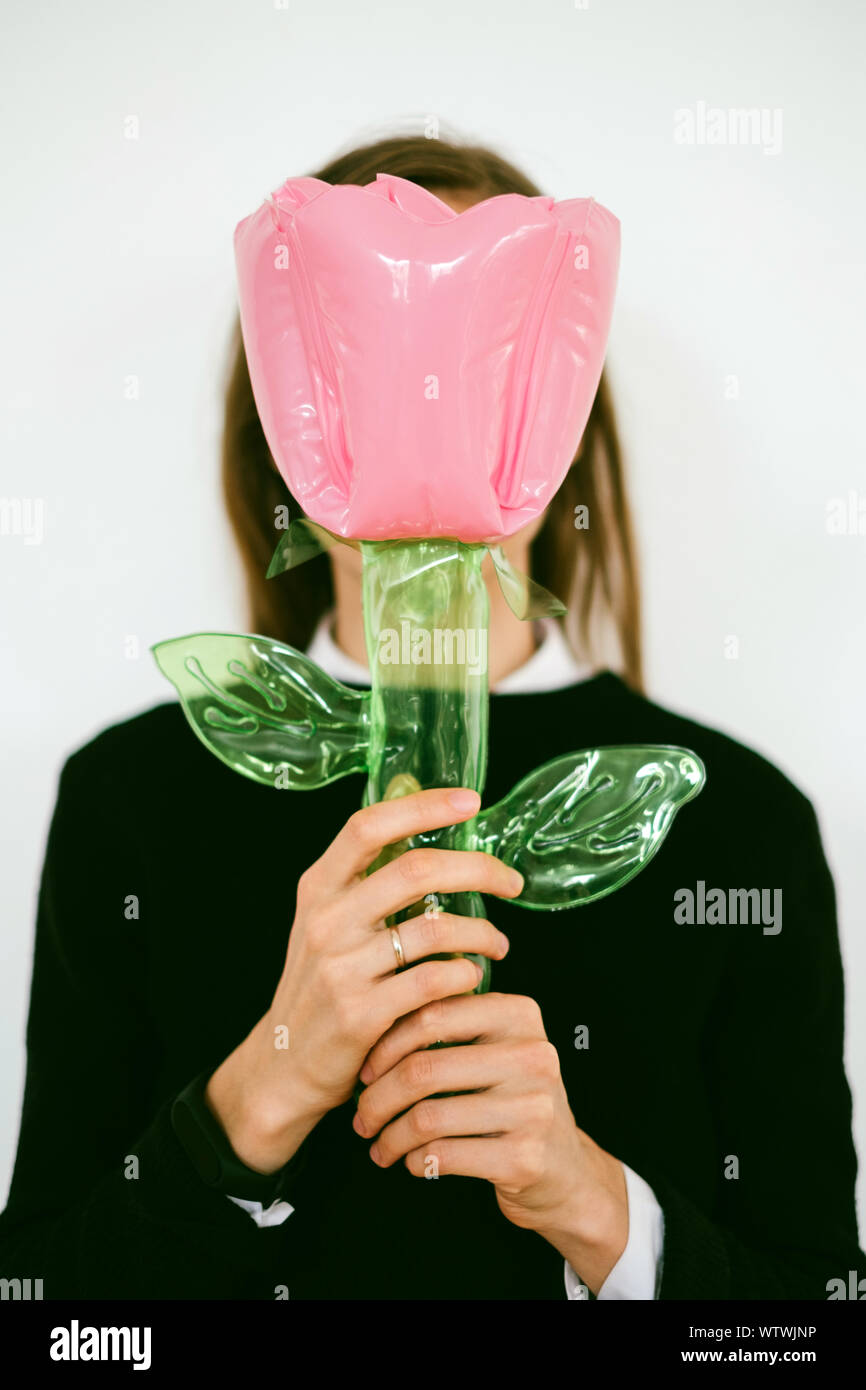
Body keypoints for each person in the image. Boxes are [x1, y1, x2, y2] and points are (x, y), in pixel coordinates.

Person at [1, 135, 862, 1301]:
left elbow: (807, 1318)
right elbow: (46, 1311)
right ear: (283, 420)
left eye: (484, 357)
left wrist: (596, 1208)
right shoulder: (128, 798)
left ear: (558, 431)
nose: (426, 406)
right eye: (367, 353)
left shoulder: (739, 823)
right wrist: (260, 1090)